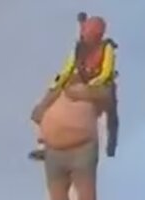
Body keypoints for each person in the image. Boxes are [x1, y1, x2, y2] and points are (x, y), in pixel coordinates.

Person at [29, 13, 120, 161]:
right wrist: (55, 86)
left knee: (112, 115)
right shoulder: (78, 49)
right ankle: (43, 143)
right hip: (80, 81)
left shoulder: (106, 48)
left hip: (100, 86)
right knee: (47, 102)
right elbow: (67, 69)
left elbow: (105, 73)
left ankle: (111, 145)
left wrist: (88, 87)